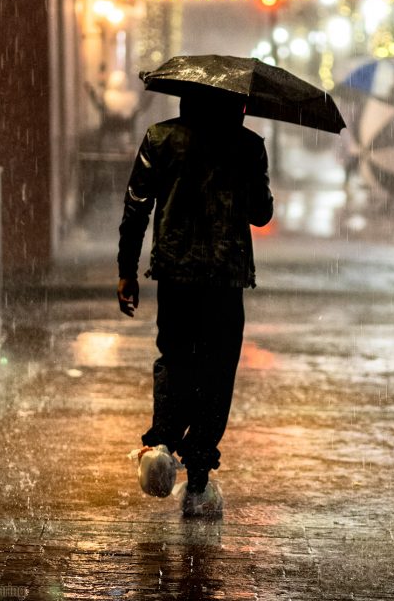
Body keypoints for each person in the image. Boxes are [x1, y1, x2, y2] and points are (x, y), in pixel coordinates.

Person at [117, 87, 274, 516]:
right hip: (224, 277)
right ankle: (198, 482)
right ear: (235, 105)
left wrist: (126, 270)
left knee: (175, 357)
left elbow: (136, 207)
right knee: (217, 368)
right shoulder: (248, 146)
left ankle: (162, 444)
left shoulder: (159, 138)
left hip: (175, 273)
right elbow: (261, 214)